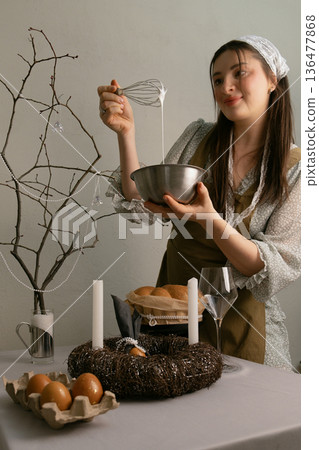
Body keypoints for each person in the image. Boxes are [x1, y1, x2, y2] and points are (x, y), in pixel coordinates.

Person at [97, 36, 300, 371]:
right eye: (217, 79)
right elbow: (141, 202)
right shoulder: (197, 137)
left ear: (272, 80)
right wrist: (126, 133)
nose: (226, 86)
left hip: (243, 326)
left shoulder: (297, 170)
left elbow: (260, 266)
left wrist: (209, 220)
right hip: (172, 314)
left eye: (239, 73)